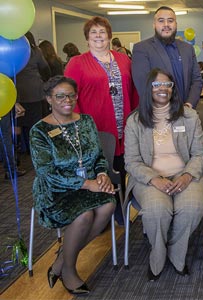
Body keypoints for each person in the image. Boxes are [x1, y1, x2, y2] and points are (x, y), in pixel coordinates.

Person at [124, 68, 203, 281]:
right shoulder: (135, 121)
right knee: (157, 209)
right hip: (149, 178)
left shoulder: (189, 116)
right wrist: (154, 179)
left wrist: (187, 175)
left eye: (167, 84)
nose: (162, 89)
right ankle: (158, 254)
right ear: (149, 89)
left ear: (173, 89)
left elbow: (200, 154)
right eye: (156, 85)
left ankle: (176, 253)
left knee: (192, 208)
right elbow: (132, 161)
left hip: (187, 174)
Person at [30, 75, 116, 295]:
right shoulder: (39, 131)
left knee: (108, 205)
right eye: (60, 96)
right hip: (56, 191)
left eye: (71, 95)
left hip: (88, 184)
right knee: (85, 216)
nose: (67, 100)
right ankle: (68, 270)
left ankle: (60, 259)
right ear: (49, 99)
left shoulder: (85, 121)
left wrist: (102, 174)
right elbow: (46, 174)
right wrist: (87, 183)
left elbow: (98, 156)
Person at [64, 16, 139, 224]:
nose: (98, 36)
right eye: (93, 32)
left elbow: (133, 90)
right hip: (94, 127)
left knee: (122, 166)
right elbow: (70, 96)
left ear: (109, 36)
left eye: (102, 32)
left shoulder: (123, 59)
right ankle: (102, 213)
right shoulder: (77, 63)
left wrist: (134, 116)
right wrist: (77, 125)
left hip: (123, 124)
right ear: (87, 38)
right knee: (99, 169)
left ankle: (121, 208)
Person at [132, 6, 203, 109]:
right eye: (161, 21)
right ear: (154, 25)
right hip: (157, 115)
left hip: (186, 112)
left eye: (170, 21)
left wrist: (189, 105)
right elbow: (144, 85)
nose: (166, 25)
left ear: (176, 24)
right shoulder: (142, 49)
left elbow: (197, 80)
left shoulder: (188, 49)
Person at [15, 31, 51, 154]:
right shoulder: (35, 52)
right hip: (35, 92)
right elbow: (44, 67)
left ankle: (19, 148)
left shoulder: (14, 51)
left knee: (18, 123)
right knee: (34, 123)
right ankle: (35, 149)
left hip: (17, 92)